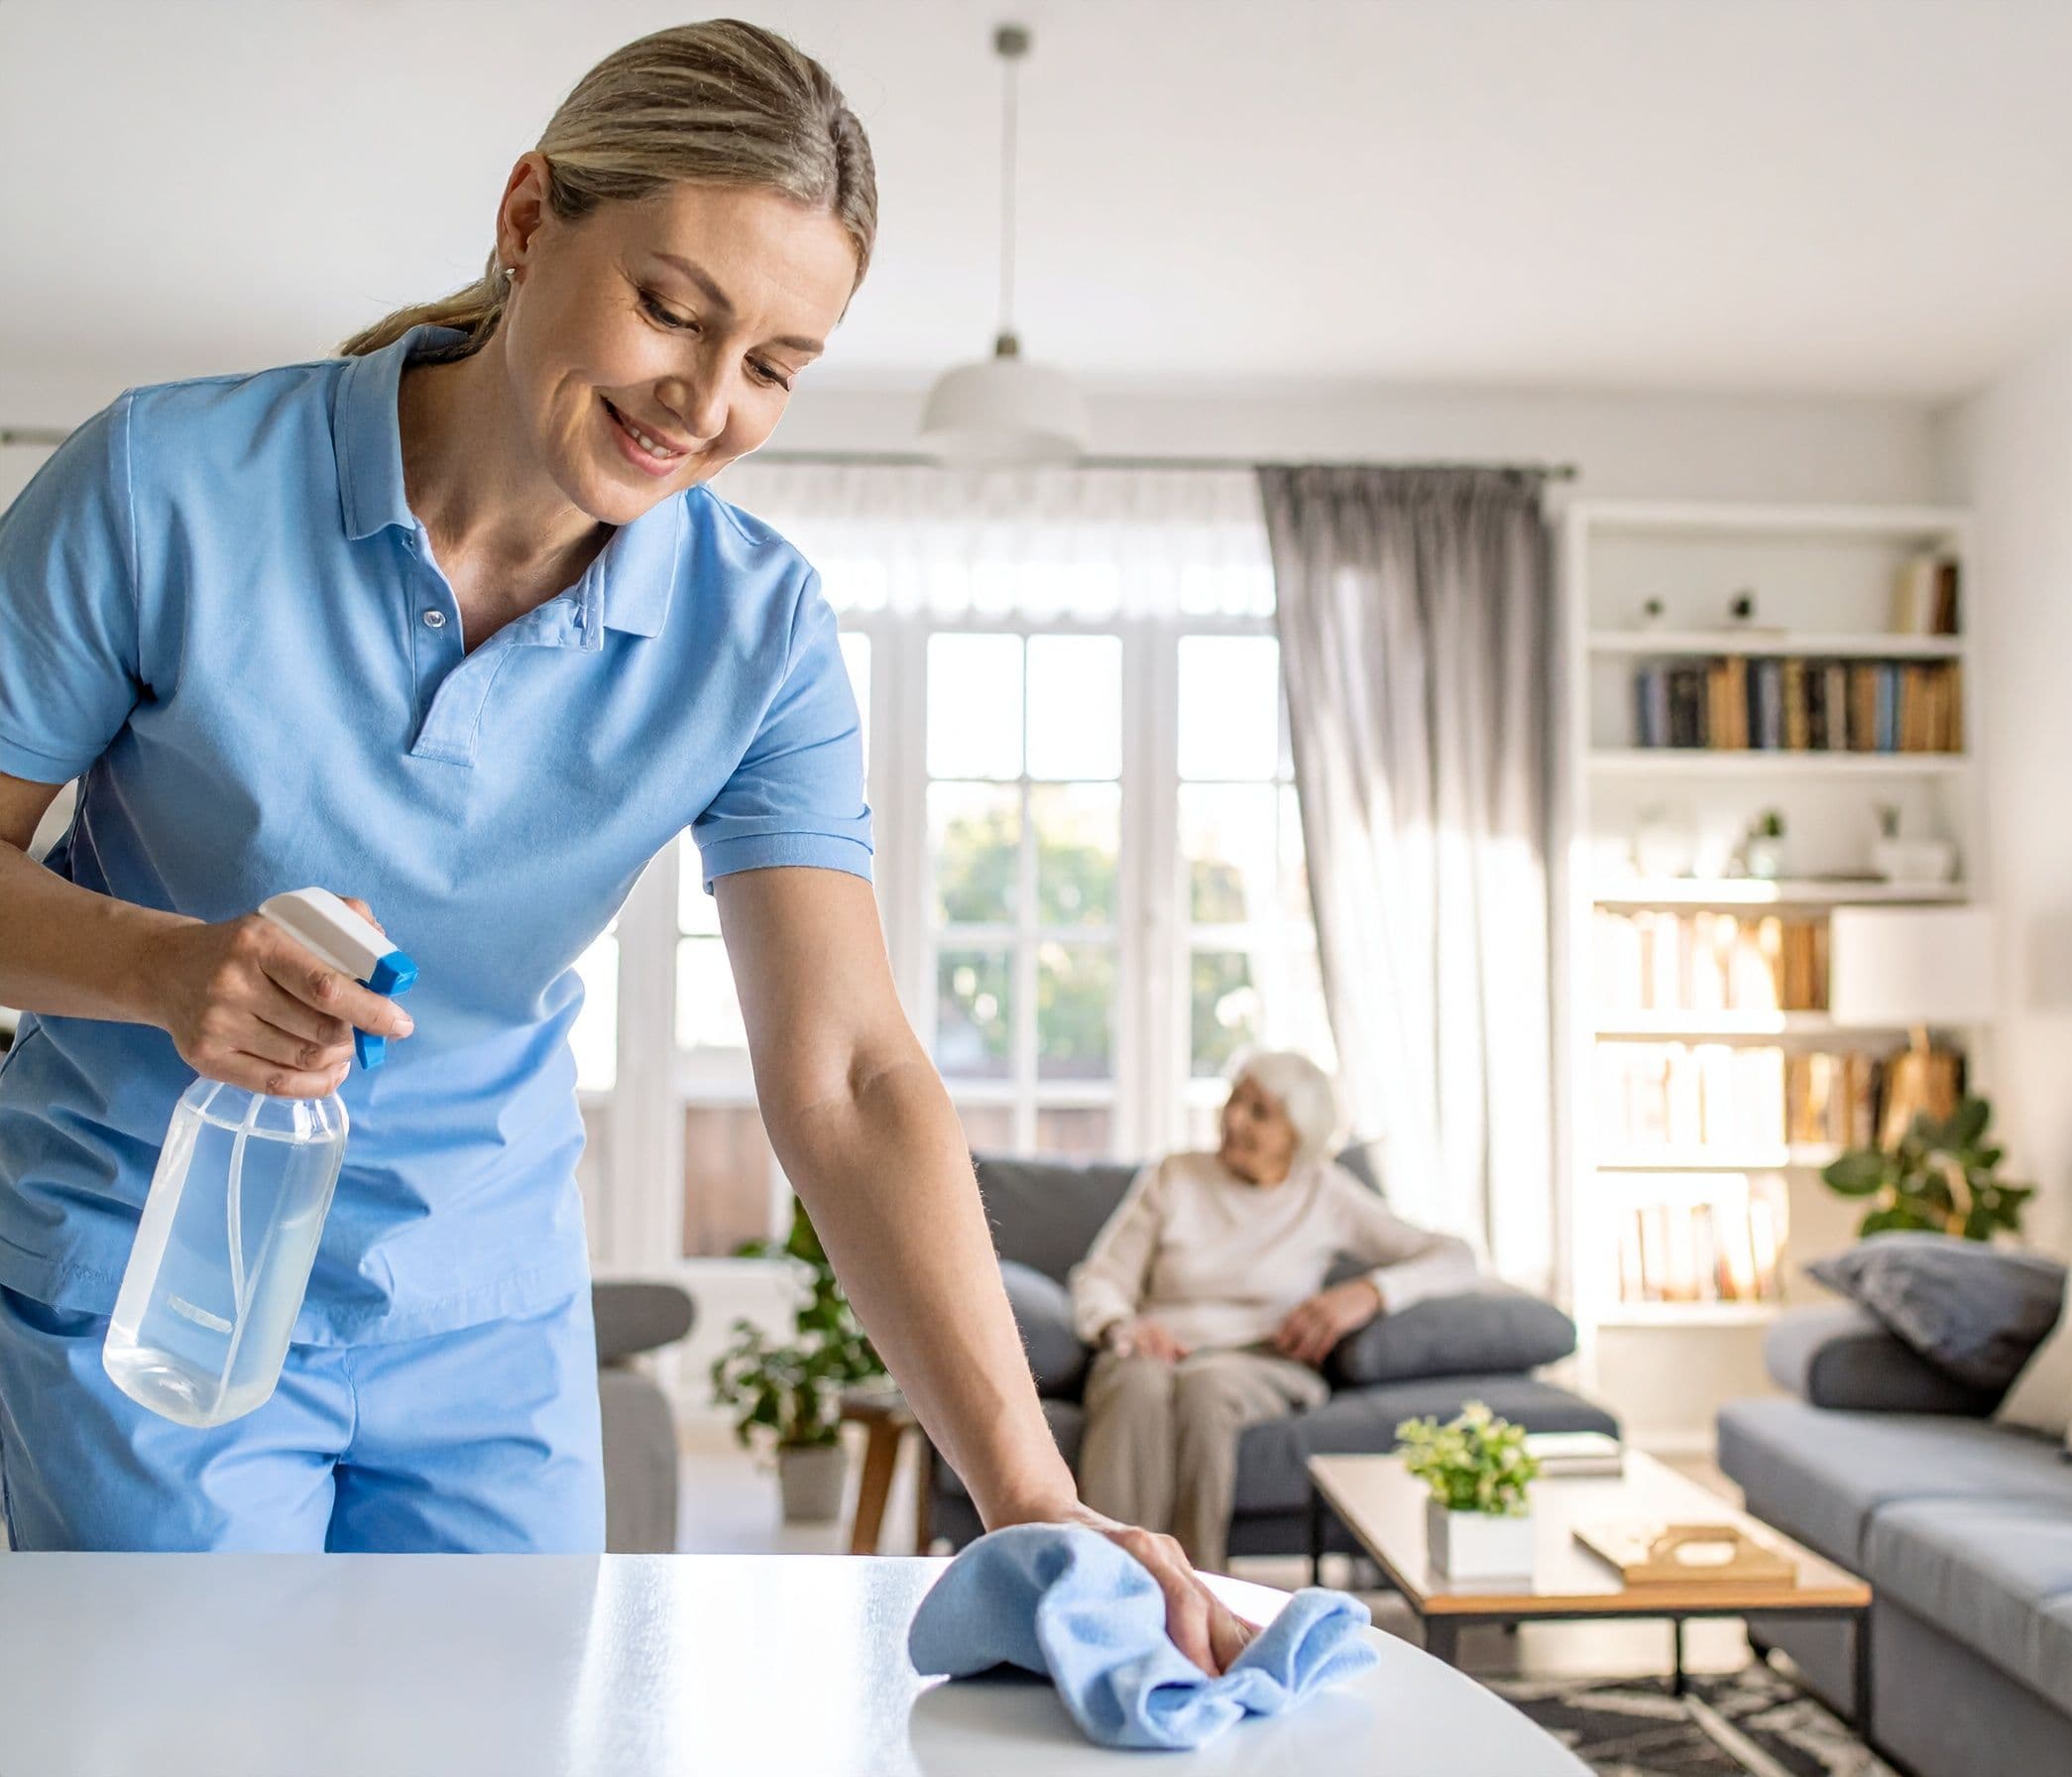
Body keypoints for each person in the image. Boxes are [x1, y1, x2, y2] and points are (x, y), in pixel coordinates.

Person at [0, 19, 1253, 1673]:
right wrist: (168, 966)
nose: (708, 402)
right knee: (199, 1731)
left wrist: (1026, 1487)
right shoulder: (169, 483)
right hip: (162, 1285)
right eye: (673, 308)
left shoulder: (754, 628)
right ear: (528, 220)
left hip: (482, 1310)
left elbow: (854, 1074)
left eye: (778, 365)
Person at [1069, 1051, 1480, 1570]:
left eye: (1259, 1112)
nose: (1235, 1119)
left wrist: (1369, 1292)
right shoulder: (1175, 1176)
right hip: (1155, 1349)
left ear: (1298, 1136)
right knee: (1137, 1383)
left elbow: (1456, 1257)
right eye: (1234, 1101)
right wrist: (1120, 1326)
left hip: (1262, 1360)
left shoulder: (1326, 1194)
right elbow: (1102, 1276)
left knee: (1206, 1386)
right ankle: (1104, 1582)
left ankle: (1196, 1588)